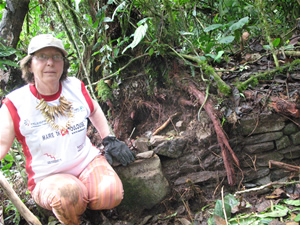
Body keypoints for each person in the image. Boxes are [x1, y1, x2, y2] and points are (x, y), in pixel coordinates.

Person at [0, 34, 135, 225]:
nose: (50, 62)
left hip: (86, 161)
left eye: (56, 57)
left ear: (63, 63)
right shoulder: (15, 103)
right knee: (67, 196)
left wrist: (109, 139)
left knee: (111, 194)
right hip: (48, 176)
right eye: (42, 57)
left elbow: (94, 109)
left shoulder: (75, 87)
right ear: (30, 64)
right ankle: (77, 219)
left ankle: (91, 210)